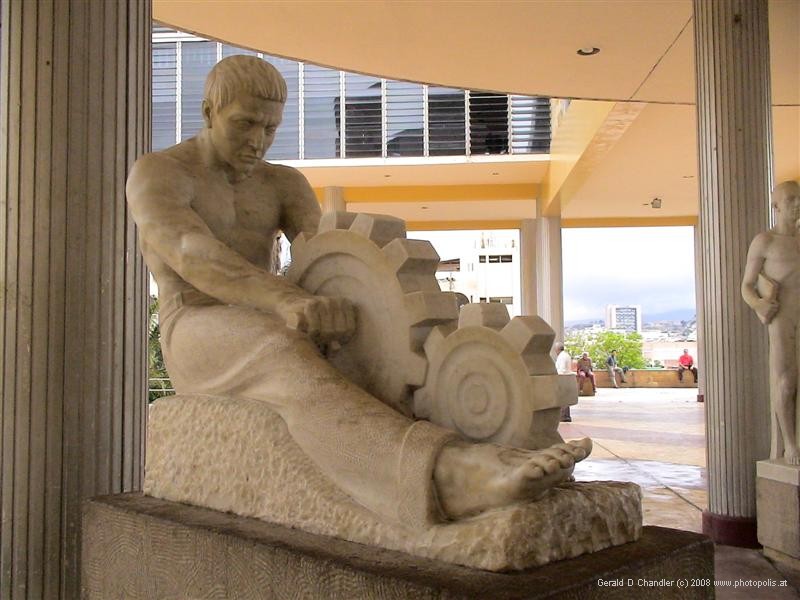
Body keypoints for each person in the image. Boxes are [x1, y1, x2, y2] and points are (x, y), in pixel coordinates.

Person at [126, 55, 590, 526]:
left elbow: (332, 257)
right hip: (198, 328)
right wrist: (287, 300)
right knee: (282, 347)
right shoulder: (159, 173)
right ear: (207, 113)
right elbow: (191, 252)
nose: (256, 142)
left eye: (269, 128)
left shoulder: (283, 183)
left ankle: (483, 443)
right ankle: (446, 477)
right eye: (243, 124)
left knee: (363, 339)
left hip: (270, 316)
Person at [742, 180, 800, 465]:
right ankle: (790, 444)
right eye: (790, 200)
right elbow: (747, 285)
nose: (797, 204)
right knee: (786, 382)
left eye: (799, 199)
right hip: (782, 317)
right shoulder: (766, 241)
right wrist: (759, 304)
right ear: (776, 206)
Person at [554, 342, 573, 422]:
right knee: (565, 398)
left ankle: (564, 416)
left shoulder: (562, 357)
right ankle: (565, 416)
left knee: (563, 398)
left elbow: (561, 370)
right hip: (566, 378)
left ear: (557, 349)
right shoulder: (565, 355)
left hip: (562, 378)